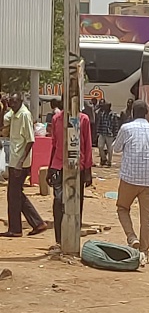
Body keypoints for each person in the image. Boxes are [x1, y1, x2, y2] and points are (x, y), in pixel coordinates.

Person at [113, 100, 149, 266]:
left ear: (131, 112)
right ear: (147, 112)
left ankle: (131, 237)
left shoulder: (126, 128)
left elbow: (116, 149)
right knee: (147, 219)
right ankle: (144, 252)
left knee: (122, 208)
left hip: (129, 178)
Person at [0, 94, 47, 237]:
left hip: (21, 161)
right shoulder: (13, 114)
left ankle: (18, 228)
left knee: (14, 194)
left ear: (20, 101)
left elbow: (30, 140)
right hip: (14, 159)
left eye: (14, 102)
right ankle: (35, 223)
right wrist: (4, 108)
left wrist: (21, 162)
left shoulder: (25, 115)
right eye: (10, 103)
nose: (12, 105)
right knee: (15, 194)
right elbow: (2, 124)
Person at [47, 108, 93, 252]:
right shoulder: (56, 119)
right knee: (58, 201)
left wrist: (88, 170)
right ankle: (59, 240)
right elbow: (54, 144)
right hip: (59, 166)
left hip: (77, 167)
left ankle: (73, 238)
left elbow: (87, 144)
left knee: (76, 204)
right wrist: (50, 167)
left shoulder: (83, 120)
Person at [96, 101, 119, 167]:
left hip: (110, 134)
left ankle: (109, 161)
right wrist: (98, 131)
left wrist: (115, 134)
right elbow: (99, 123)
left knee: (110, 149)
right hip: (102, 133)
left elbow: (116, 125)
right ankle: (104, 159)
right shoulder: (102, 114)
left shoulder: (113, 114)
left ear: (108, 107)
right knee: (100, 146)